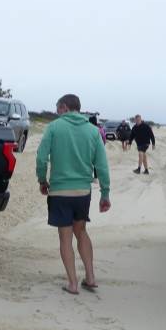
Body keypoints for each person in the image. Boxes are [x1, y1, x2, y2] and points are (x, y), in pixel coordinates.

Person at [37, 94, 112, 295]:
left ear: (64, 107)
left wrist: (42, 180)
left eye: (57, 109)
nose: (56, 113)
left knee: (65, 237)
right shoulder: (93, 131)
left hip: (60, 190)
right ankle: (91, 277)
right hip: (82, 192)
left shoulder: (54, 127)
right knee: (81, 231)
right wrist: (105, 193)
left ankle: (72, 283)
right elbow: (102, 166)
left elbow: (42, 157)